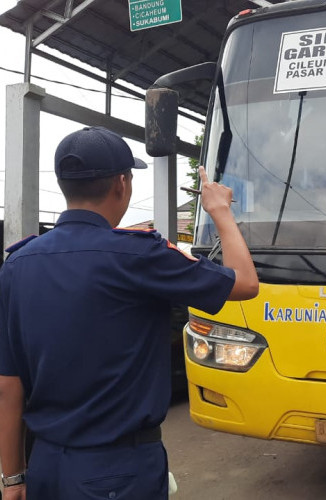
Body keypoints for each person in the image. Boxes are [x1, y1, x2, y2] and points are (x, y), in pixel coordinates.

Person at [0, 126, 259, 499]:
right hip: (117, 473)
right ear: (122, 184)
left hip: (45, 467)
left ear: (63, 184)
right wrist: (219, 210)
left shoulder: (18, 264)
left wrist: (13, 479)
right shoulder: (140, 256)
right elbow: (245, 283)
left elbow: (8, 386)